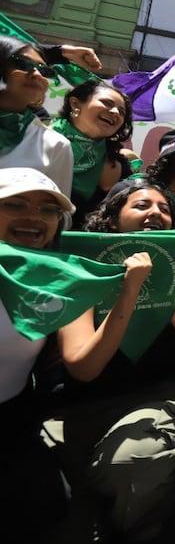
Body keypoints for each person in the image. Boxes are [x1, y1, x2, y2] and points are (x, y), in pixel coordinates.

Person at [44, 180, 175, 542]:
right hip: (81, 403)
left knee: (135, 460)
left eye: (164, 209)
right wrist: (128, 290)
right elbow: (85, 367)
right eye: (142, 206)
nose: (156, 214)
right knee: (46, 483)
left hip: (158, 396)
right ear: (112, 219)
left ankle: (137, 521)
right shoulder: (78, 265)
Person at [0, 168, 79, 540]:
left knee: (47, 503)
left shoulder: (56, 281)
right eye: (14, 204)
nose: (33, 217)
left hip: (13, 418)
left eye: (48, 210)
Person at [51, 80, 132, 226]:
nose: (115, 112)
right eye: (106, 103)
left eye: (121, 112)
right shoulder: (36, 139)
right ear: (75, 104)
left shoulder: (117, 164)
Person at [0, 37, 73, 193]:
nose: (37, 74)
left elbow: (58, 212)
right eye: (22, 64)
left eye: (45, 70)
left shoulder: (55, 146)